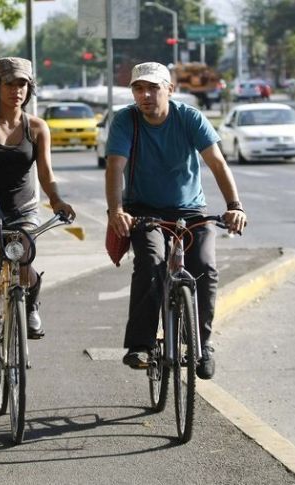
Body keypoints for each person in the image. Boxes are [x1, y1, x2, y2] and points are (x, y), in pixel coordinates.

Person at [104, 61, 247, 380]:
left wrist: (234, 205)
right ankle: (140, 344)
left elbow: (217, 163)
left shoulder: (189, 118)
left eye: (153, 88)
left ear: (170, 89)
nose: (145, 95)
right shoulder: (126, 120)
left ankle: (202, 344)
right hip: (143, 210)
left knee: (205, 267)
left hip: (191, 210)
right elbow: (115, 167)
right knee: (151, 262)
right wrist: (116, 210)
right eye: (138, 89)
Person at [0, 57, 76, 403]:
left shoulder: (37, 127)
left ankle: (31, 304)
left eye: (22, 84)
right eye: (10, 84)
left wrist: (57, 200)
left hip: (23, 210)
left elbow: (47, 174)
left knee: (23, 260)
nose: (17, 91)